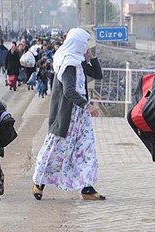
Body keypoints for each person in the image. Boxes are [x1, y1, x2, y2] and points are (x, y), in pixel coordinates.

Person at [31, 28, 105, 201]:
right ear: (77, 42)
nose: (87, 45)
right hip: (67, 118)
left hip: (81, 118)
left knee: (86, 152)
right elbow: (69, 91)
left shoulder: (79, 61)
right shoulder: (68, 63)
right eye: (85, 42)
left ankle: (87, 188)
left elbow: (98, 75)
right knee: (55, 151)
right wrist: (88, 106)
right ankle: (39, 182)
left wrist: (91, 56)